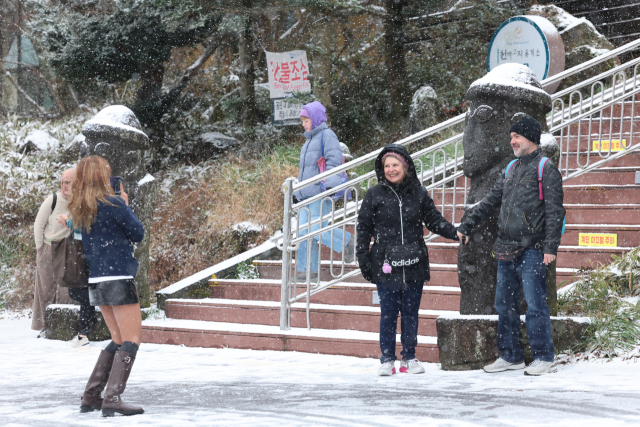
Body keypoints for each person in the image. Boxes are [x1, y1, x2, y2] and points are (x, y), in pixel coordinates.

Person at [457, 115, 565, 376]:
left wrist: (550, 247)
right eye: (511, 137)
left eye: (516, 136)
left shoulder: (545, 168)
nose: (512, 141)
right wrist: (468, 224)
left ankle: (544, 356)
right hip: (505, 247)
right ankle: (510, 355)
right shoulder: (511, 169)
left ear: (530, 138)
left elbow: (555, 211)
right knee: (504, 304)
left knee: (535, 304)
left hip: (533, 248)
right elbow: (490, 201)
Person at [357, 144, 459, 376]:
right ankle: (387, 359)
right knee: (388, 313)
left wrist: (455, 233)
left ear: (405, 166)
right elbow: (363, 228)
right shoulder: (374, 194)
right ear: (381, 169)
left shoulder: (419, 193)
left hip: (414, 261)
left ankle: (409, 358)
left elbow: (434, 220)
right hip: (385, 263)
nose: (391, 170)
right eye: (387, 166)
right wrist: (363, 258)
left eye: (395, 165)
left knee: (411, 312)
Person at [68, 156, 145, 416]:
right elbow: (138, 233)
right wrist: (125, 204)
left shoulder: (80, 208)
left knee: (117, 338)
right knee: (132, 339)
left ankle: (91, 395)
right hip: (118, 276)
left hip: (97, 280)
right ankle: (112, 397)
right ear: (104, 178)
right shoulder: (113, 204)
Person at [293, 101, 353, 283]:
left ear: (316, 118)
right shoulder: (307, 142)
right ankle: (307, 270)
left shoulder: (327, 135)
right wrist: (298, 192)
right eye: (302, 121)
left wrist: (329, 185)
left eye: (306, 120)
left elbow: (334, 161)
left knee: (316, 230)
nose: (303, 124)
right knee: (303, 233)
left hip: (320, 192)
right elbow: (305, 171)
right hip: (306, 195)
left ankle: (348, 241)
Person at [32, 168, 76, 337]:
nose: (67, 186)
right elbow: (39, 225)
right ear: (61, 183)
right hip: (49, 247)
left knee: (68, 290)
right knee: (45, 289)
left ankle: (66, 326)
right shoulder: (53, 200)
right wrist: (40, 249)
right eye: (65, 182)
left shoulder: (80, 201)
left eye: (71, 182)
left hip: (70, 250)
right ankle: (45, 327)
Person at [57, 214, 96, 347]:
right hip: (81, 248)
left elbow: (86, 227)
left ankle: (83, 334)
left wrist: (68, 221)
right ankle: (84, 332)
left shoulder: (92, 200)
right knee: (78, 290)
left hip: (85, 249)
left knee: (81, 291)